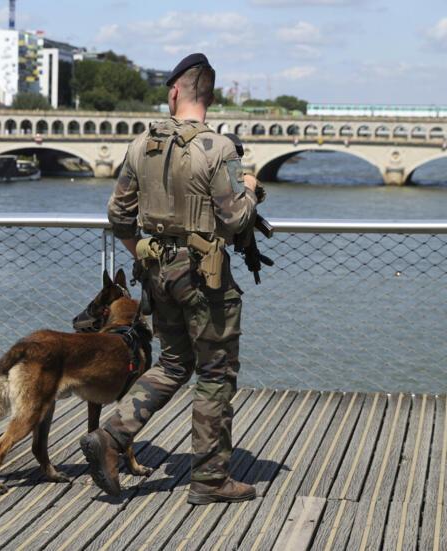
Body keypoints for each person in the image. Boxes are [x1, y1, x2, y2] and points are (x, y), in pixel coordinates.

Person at [79, 53, 264, 505]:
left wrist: (142, 252)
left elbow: (118, 215)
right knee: (215, 374)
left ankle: (112, 435)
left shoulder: (141, 146)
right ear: (211, 96)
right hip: (205, 279)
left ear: (175, 92)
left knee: (174, 363)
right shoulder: (217, 149)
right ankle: (210, 480)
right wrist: (253, 189)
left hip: (157, 275)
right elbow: (235, 216)